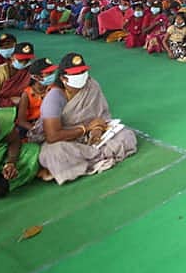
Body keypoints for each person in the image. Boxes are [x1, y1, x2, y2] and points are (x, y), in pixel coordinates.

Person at [37, 53, 137, 185]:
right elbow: (52, 136)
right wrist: (85, 129)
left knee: (126, 135)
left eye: (83, 71)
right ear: (63, 78)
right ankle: (98, 157)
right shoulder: (54, 97)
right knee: (56, 154)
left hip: (90, 135)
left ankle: (87, 160)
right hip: (65, 139)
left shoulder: (91, 85)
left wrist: (96, 130)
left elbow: (100, 115)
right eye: (76, 74)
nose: (82, 76)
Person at [0, 42, 35, 108]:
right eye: (20, 60)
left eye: (27, 60)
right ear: (12, 57)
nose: (24, 62)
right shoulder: (0, 71)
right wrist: (10, 102)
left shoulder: (31, 70)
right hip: (2, 108)